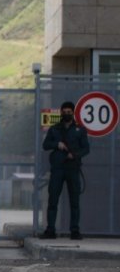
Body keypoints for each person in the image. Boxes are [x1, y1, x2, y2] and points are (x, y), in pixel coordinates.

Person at [40, 100, 90, 241]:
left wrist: (74, 154)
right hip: (57, 169)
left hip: (72, 168)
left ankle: (75, 231)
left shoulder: (80, 129)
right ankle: (50, 230)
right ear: (61, 112)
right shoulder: (55, 129)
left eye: (69, 112)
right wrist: (57, 144)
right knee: (53, 200)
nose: (67, 114)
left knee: (74, 201)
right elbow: (45, 145)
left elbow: (86, 149)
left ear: (73, 113)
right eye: (64, 112)